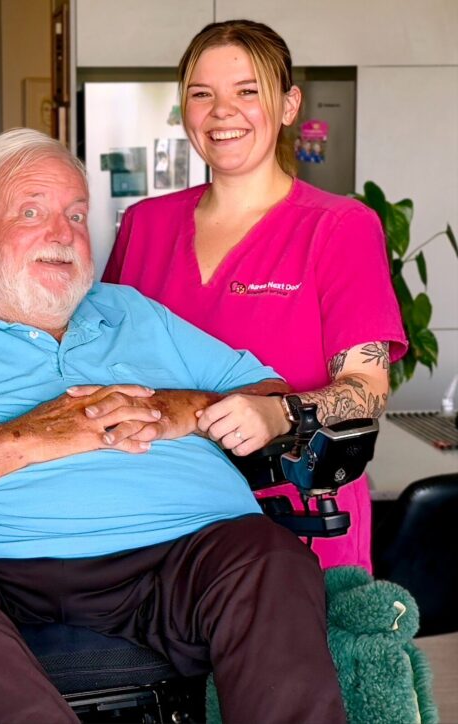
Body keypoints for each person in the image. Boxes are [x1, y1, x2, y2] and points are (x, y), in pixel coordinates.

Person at [0, 128, 346, 723]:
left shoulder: (133, 311)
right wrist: (34, 436)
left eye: (76, 215)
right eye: (32, 212)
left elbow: (268, 392)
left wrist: (176, 410)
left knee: (269, 558)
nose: (62, 235)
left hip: (179, 559)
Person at [102, 20, 405, 571]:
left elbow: (367, 387)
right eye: (202, 94)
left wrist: (281, 413)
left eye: (247, 92)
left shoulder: (339, 227)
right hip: (159, 515)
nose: (223, 112)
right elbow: (105, 359)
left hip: (299, 516)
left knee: (298, 654)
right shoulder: (144, 224)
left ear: (289, 105)